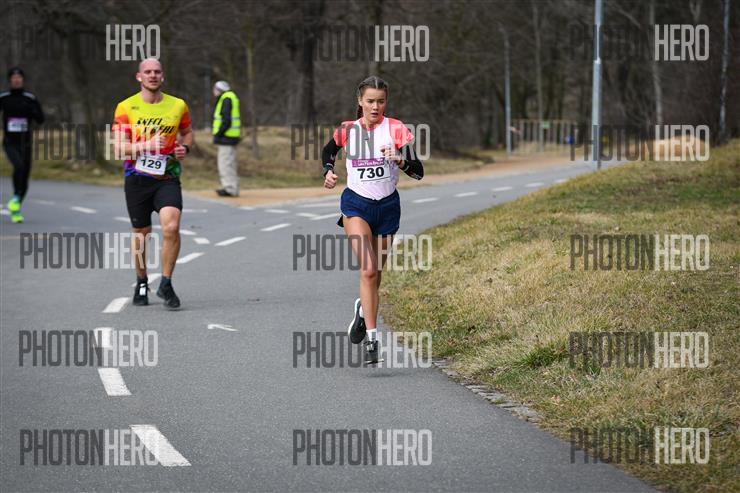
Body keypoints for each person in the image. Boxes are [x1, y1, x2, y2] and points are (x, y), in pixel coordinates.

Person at [322, 76, 424, 364]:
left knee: (376, 275)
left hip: (388, 208)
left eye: (380, 101)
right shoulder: (348, 130)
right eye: (370, 101)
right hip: (356, 204)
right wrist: (328, 171)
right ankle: (372, 338)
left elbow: (418, 172)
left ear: (386, 102)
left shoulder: (396, 129)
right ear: (360, 101)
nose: (375, 107)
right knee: (368, 271)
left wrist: (400, 160)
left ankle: (362, 310)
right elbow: (328, 151)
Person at [112, 58, 193, 310]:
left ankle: (166, 283)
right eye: (147, 72)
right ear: (139, 77)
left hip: (167, 177)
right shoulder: (126, 107)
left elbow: (187, 133)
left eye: (157, 71)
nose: (153, 75)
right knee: (141, 234)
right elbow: (118, 148)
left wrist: (185, 148)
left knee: (171, 226)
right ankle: (141, 281)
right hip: (136, 179)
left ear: (162, 76)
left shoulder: (178, 105)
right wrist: (145, 145)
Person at [0, 67, 44, 223]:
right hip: (10, 142)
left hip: (25, 143)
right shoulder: (4, 97)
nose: (16, 80)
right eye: (14, 77)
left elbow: (41, 119)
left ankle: (16, 203)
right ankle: (15, 201)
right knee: (18, 166)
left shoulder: (30, 98)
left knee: (25, 177)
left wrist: (32, 111)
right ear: (10, 80)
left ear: (23, 80)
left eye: (19, 77)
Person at [212, 80, 241, 197]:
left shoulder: (226, 99)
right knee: (230, 163)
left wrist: (218, 134)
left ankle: (229, 188)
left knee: (225, 164)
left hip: (226, 138)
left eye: (215, 89)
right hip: (231, 137)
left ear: (219, 90)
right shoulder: (230, 97)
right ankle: (233, 187)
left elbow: (226, 120)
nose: (213, 92)